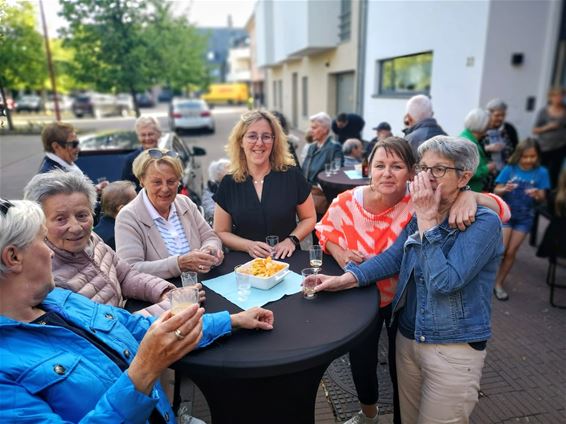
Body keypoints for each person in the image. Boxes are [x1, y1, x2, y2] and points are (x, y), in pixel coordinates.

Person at [0, 198, 274, 422]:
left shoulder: (60, 300)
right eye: (40, 240)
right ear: (13, 257)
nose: (49, 252)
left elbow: (138, 329)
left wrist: (232, 320)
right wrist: (145, 369)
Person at [310, 135, 504, 424]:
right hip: (409, 335)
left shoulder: (482, 222)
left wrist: (433, 216)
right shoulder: (426, 211)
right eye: (424, 168)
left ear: (464, 176)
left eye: (439, 169)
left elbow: (445, 282)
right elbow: (394, 258)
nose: (427, 176)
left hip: (452, 346)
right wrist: (345, 280)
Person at [23, 170, 176, 317]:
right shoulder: (45, 277)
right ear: (39, 223)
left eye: (82, 215)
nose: (76, 228)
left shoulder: (92, 239)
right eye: (60, 219)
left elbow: (126, 276)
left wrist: (164, 291)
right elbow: (106, 328)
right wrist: (173, 305)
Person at [214, 110, 316, 259]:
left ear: (274, 142)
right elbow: (220, 231)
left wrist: (291, 240)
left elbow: (309, 218)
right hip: (246, 265)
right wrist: (248, 246)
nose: (260, 143)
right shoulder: (229, 183)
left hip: (286, 259)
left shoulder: (292, 176)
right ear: (241, 141)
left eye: (266, 136)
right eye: (252, 136)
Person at [115, 148, 223, 279]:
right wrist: (179, 264)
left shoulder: (184, 203)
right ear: (142, 181)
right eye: (157, 182)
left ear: (178, 181)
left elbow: (210, 236)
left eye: (171, 181)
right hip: (162, 295)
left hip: (200, 284)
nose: (165, 188)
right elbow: (130, 269)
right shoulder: (129, 217)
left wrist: (210, 250)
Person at [493, 139, 550, 301]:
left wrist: (537, 194)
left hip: (525, 217)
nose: (529, 160)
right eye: (525, 157)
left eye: (533, 156)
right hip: (507, 214)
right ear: (519, 155)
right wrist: (505, 188)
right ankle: (487, 279)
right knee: (501, 251)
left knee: (511, 252)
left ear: (538, 156)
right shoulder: (510, 169)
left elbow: (542, 198)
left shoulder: (542, 172)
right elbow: (496, 190)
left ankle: (499, 283)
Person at [303, 112, 344, 215]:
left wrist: (319, 187)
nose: (311, 131)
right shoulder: (312, 147)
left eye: (314, 128)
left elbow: (337, 172)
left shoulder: (334, 147)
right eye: (311, 128)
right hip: (307, 192)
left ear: (325, 130)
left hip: (322, 194)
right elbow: (305, 169)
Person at [532, 87, 566, 188]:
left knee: (555, 172)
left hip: (561, 146)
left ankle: (550, 195)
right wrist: (548, 127)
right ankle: (538, 191)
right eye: (556, 96)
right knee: (542, 170)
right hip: (544, 147)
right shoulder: (543, 111)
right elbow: (535, 130)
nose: (559, 98)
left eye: (561, 95)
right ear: (550, 97)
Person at [94, 180, 137, 250]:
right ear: (122, 209)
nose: (140, 205)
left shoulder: (96, 231)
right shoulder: (119, 237)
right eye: (136, 202)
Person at [121, 116, 161, 191]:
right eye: (143, 135)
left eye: (150, 134)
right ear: (138, 137)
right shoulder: (131, 160)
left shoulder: (168, 157)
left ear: (158, 134)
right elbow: (125, 191)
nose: (147, 138)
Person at [460, 107, 495, 192]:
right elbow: (466, 171)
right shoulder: (467, 142)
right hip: (469, 191)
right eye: (488, 123)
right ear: (482, 124)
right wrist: (488, 168)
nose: (490, 125)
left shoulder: (469, 138)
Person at [485, 98, 519, 169]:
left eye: (503, 115)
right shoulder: (483, 128)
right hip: (487, 170)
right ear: (489, 115)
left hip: (506, 168)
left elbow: (517, 147)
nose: (500, 118)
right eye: (497, 115)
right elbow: (475, 148)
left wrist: (513, 158)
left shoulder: (509, 128)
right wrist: (487, 148)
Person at [202, 158, 230, 224]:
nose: (231, 170)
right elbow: (209, 208)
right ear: (218, 173)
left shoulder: (235, 184)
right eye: (228, 168)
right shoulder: (211, 188)